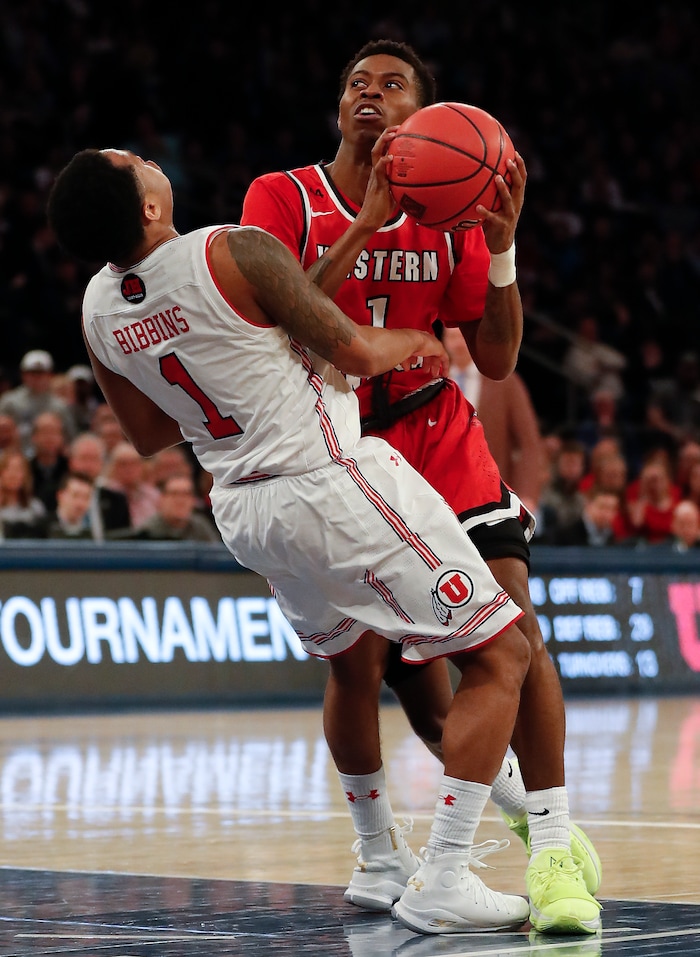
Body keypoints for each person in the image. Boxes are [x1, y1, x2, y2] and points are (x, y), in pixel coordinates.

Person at [47, 146, 538, 936]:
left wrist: (227, 371)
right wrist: (415, 341)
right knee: (501, 654)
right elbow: (352, 348)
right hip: (325, 475)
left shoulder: (99, 309)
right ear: (146, 207)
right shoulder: (231, 247)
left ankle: (380, 860)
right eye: (135, 160)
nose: (147, 157)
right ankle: (445, 874)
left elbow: (143, 433)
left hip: (244, 507)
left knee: (349, 665)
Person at [241, 38, 600, 935]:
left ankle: (553, 848)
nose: (370, 94)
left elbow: (501, 356)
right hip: (329, 442)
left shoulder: (451, 211)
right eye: (356, 84)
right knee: (367, 671)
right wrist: (364, 221)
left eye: (392, 85)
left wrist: (503, 248)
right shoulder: (281, 197)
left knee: (514, 633)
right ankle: (381, 853)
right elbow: (283, 327)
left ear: (425, 120)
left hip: (434, 432)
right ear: (339, 109)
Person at [442, 324, 545, 515]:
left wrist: (528, 495)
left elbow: (529, 444)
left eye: (462, 337)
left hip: (494, 494)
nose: (458, 344)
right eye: (452, 337)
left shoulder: (504, 381)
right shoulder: (436, 380)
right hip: (443, 494)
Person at [0, 349, 77, 455]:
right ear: (23, 375)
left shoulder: (59, 406)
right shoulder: (9, 402)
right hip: (15, 458)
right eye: (32, 373)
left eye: (41, 373)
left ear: (50, 375)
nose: (37, 378)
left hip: (48, 458)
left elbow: (70, 438)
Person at [110, 473, 221, 542]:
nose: (180, 500)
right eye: (174, 494)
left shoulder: (200, 527)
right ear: (161, 499)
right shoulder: (149, 530)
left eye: (186, 494)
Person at [66, 432, 131, 539]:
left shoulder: (116, 500)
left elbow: (124, 540)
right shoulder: (54, 493)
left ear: (102, 463)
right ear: (71, 461)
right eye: (84, 458)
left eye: (94, 459)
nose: (88, 465)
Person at [548, 489, 622, 547]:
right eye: (602, 507)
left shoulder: (614, 541)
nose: (607, 514)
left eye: (612, 509)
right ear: (588, 505)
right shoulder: (564, 535)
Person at [45, 471, 97, 539]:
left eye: (86, 497)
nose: (80, 503)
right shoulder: (42, 529)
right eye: (75, 495)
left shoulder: (95, 532)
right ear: (60, 496)